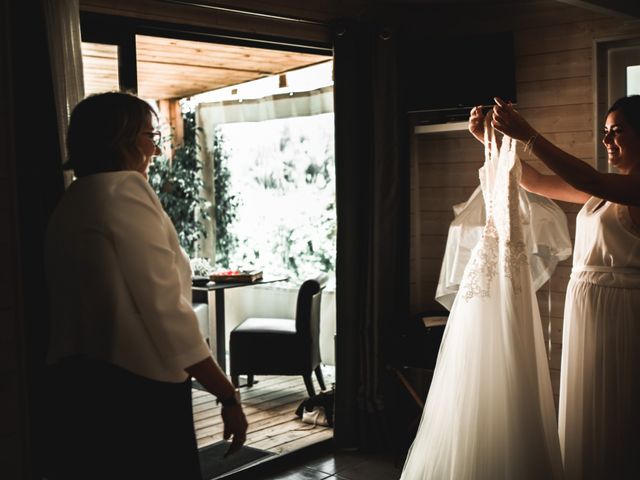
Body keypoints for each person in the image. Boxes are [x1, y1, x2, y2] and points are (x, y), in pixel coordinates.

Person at [44, 91, 247, 480]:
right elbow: (165, 310)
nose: (156, 149)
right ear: (122, 138)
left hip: (77, 382)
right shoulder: (124, 192)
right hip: (136, 387)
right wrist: (226, 392)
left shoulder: (72, 200)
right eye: (151, 136)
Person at [469, 95, 640, 479]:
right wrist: (490, 141)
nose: (608, 141)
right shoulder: (605, 190)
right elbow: (539, 183)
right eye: (605, 133)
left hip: (625, 316)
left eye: (618, 132)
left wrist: (528, 135)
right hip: (590, 313)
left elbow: (588, 178)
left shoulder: (623, 187)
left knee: (620, 411)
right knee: (590, 408)